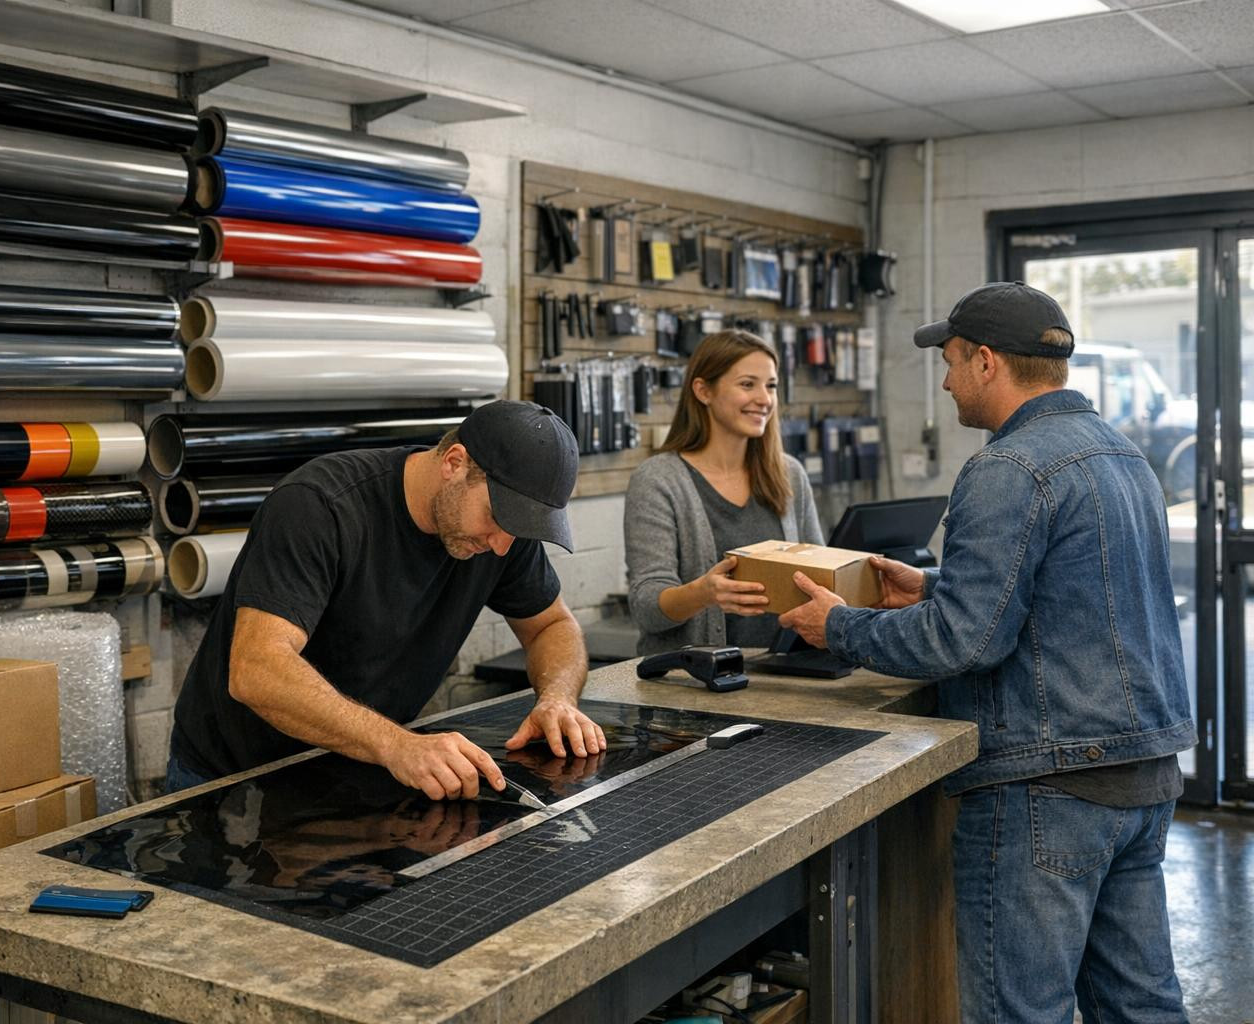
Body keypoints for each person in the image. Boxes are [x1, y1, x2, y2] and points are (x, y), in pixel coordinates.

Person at [780, 282, 1194, 1024]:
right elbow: (1079, 587)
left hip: (1048, 787)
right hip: (1143, 776)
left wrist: (838, 626)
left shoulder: (1008, 468)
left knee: (1018, 1014)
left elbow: (962, 641)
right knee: (1140, 1009)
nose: (944, 382)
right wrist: (937, 582)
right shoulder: (1123, 455)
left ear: (987, 361)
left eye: (949, 362)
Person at [168, 399, 608, 800]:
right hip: (239, 778)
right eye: (496, 518)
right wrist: (398, 744)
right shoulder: (320, 507)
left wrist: (557, 697)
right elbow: (257, 671)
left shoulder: (504, 535)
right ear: (455, 463)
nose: (500, 546)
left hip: (358, 767)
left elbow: (552, 625)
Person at [624, 330, 823, 656]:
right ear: (703, 390)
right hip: (692, 683)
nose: (765, 399)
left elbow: (818, 575)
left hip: (786, 677)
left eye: (771, 386)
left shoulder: (789, 474)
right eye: (747, 384)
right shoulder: (659, 480)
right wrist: (704, 593)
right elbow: (646, 608)